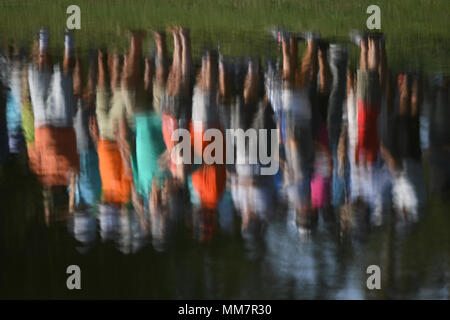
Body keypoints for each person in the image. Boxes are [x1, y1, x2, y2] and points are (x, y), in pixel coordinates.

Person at [27, 28, 79, 225]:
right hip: (62, 122)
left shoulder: (41, 176)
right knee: (63, 77)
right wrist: (69, 209)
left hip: (42, 122)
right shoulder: (70, 177)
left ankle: (43, 38)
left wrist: (50, 211)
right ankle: (68, 40)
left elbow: (32, 148)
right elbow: (73, 185)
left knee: (41, 74)